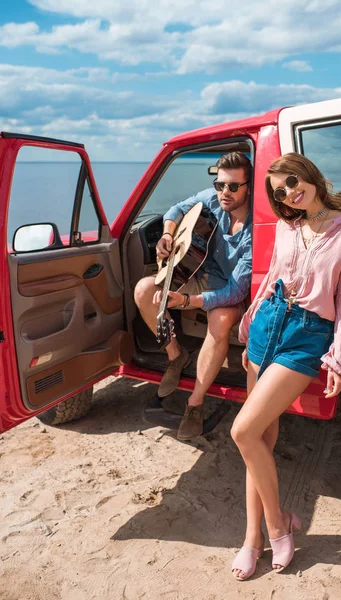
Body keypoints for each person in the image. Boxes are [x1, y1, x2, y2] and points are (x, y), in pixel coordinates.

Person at [230, 153, 341, 579]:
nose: (289, 192)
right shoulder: (287, 228)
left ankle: (278, 524)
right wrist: (250, 325)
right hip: (267, 327)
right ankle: (253, 538)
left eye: (292, 181)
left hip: (306, 337)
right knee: (260, 441)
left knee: (243, 431)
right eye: (280, 191)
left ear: (308, 175)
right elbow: (272, 277)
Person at [134, 151, 252, 441]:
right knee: (144, 290)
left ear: (249, 187)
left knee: (221, 318)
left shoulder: (253, 230)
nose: (225, 192)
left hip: (233, 288)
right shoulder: (214, 199)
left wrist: (186, 302)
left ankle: (195, 403)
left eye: (233, 186)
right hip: (201, 273)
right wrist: (167, 234)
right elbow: (176, 208)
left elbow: (235, 291)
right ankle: (176, 355)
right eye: (220, 185)